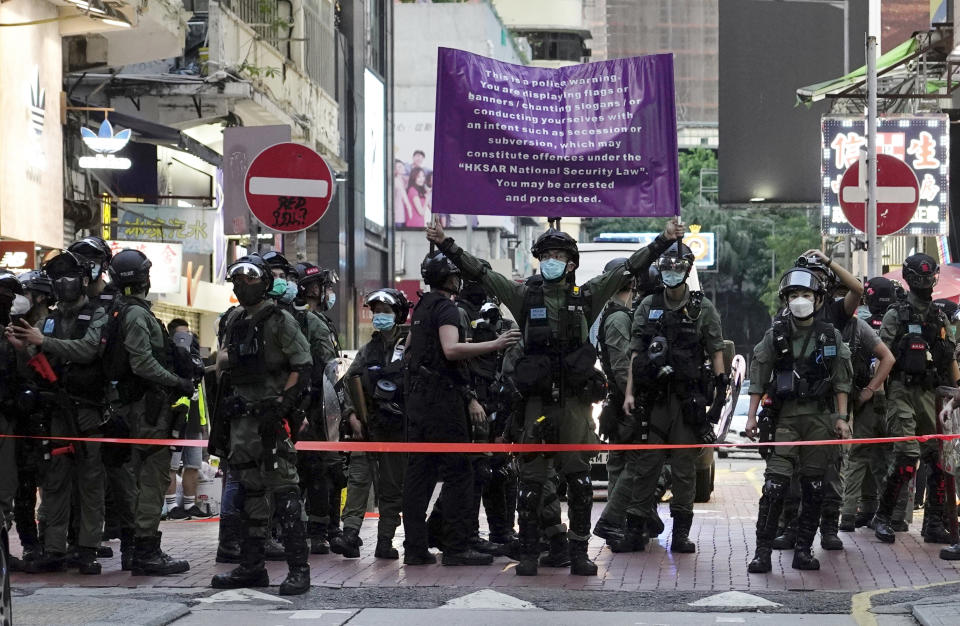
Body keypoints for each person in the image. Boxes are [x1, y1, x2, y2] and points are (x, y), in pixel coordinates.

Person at [427, 216, 684, 576]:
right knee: (531, 485)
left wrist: (664, 239)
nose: (552, 260)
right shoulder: (522, 296)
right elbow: (483, 273)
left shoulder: (588, 296)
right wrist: (444, 243)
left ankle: (579, 551)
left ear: (571, 263)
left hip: (576, 406)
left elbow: (628, 268)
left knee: (579, 483)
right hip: (536, 406)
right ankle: (531, 551)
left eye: (559, 255)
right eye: (546, 254)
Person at [601, 243, 726, 554]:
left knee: (684, 470)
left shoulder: (702, 308)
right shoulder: (647, 306)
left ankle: (681, 534)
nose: (672, 273)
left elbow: (716, 351)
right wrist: (629, 393)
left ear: (687, 271)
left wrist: (720, 396)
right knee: (646, 465)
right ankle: (634, 529)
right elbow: (635, 353)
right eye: (667, 267)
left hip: (687, 401)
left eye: (678, 268)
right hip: (653, 399)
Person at [402, 251, 520, 566]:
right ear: (450, 277)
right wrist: (496, 344)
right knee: (460, 472)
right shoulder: (446, 309)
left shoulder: (423, 306)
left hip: (419, 400)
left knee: (420, 474)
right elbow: (451, 349)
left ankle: (415, 547)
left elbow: (410, 351)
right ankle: (456, 546)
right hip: (443, 401)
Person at [211, 255, 312, 595]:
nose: (242, 284)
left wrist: (282, 407)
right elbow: (222, 360)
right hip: (241, 421)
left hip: (270, 419)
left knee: (284, 491)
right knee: (250, 494)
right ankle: (252, 567)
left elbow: (302, 364)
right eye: (237, 278)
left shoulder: (280, 320)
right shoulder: (236, 319)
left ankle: (299, 569)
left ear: (265, 282)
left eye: (251, 278)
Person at [6, 251, 109, 575]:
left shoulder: (97, 314)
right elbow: (33, 355)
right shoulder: (47, 319)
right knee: (54, 481)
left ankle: (87, 548)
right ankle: (54, 548)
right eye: (58, 278)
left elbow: (89, 349)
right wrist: (25, 347)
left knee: (90, 482)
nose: (64, 283)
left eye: (70, 277)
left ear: (82, 280)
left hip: (88, 410)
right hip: (56, 411)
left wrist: (43, 342)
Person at [746, 267, 852, 573]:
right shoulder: (775, 335)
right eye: (794, 295)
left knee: (815, 487)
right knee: (774, 487)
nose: (800, 300)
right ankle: (762, 552)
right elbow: (758, 376)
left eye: (806, 294)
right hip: (785, 420)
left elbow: (842, 381)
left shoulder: (829, 335)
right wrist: (752, 417)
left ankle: (803, 550)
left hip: (819, 420)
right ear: (786, 299)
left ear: (818, 300)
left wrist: (842, 418)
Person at [99, 249, 193, 576]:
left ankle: (135, 548)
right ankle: (146, 551)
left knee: (134, 481)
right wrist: (177, 381)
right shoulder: (136, 314)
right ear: (144, 277)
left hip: (130, 408)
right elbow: (142, 363)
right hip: (146, 411)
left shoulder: (115, 311)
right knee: (152, 479)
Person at [872, 254, 960, 545]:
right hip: (901, 391)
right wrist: (880, 395)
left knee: (937, 459)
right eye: (919, 278)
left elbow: (948, 358)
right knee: (907, 456)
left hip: (929, 393)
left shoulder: (939, 316)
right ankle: (883, 517)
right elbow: (883, 356)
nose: (925, 283)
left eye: (929, 278)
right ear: (909, 280)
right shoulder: (896, 314)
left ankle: (934, 522)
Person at [332, 288, 412, 560]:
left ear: (398, 314)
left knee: (391, 487)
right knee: (358, 479)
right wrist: (352, 416)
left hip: (398, 428)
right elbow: (349, 382)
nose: (379, 317)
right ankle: (350, 534)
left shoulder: (411, 345)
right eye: (376, 312)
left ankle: (385, 540)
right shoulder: (368, 350)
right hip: (367, 427)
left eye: (385, 312)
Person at [838, 278, 896, 533]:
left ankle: (850, 514)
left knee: (860, 456)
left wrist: (867, 391)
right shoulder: (895, 320)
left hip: (864, 397)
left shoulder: (857, 322)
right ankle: (890, 515)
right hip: (885, 398)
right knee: (885, 458)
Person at [592, 259, 636, 539]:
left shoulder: (611, 314)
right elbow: (622, 367)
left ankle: (620, 523)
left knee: (618, 464)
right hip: (623, 402)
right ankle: (615, 521)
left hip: (617, 401)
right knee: (634, 463)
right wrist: (633, 397)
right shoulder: (619, 317)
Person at [164, 319, 209, 521]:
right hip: (177, 419)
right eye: (182, 335)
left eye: (188, 334)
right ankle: (172, 505)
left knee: (194, 464)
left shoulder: (196, 361)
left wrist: (204, 422)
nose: (186, 339)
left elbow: (201, 393)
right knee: (172, 465)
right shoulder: (169, 359)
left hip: (194, 422)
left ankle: (190, 504)